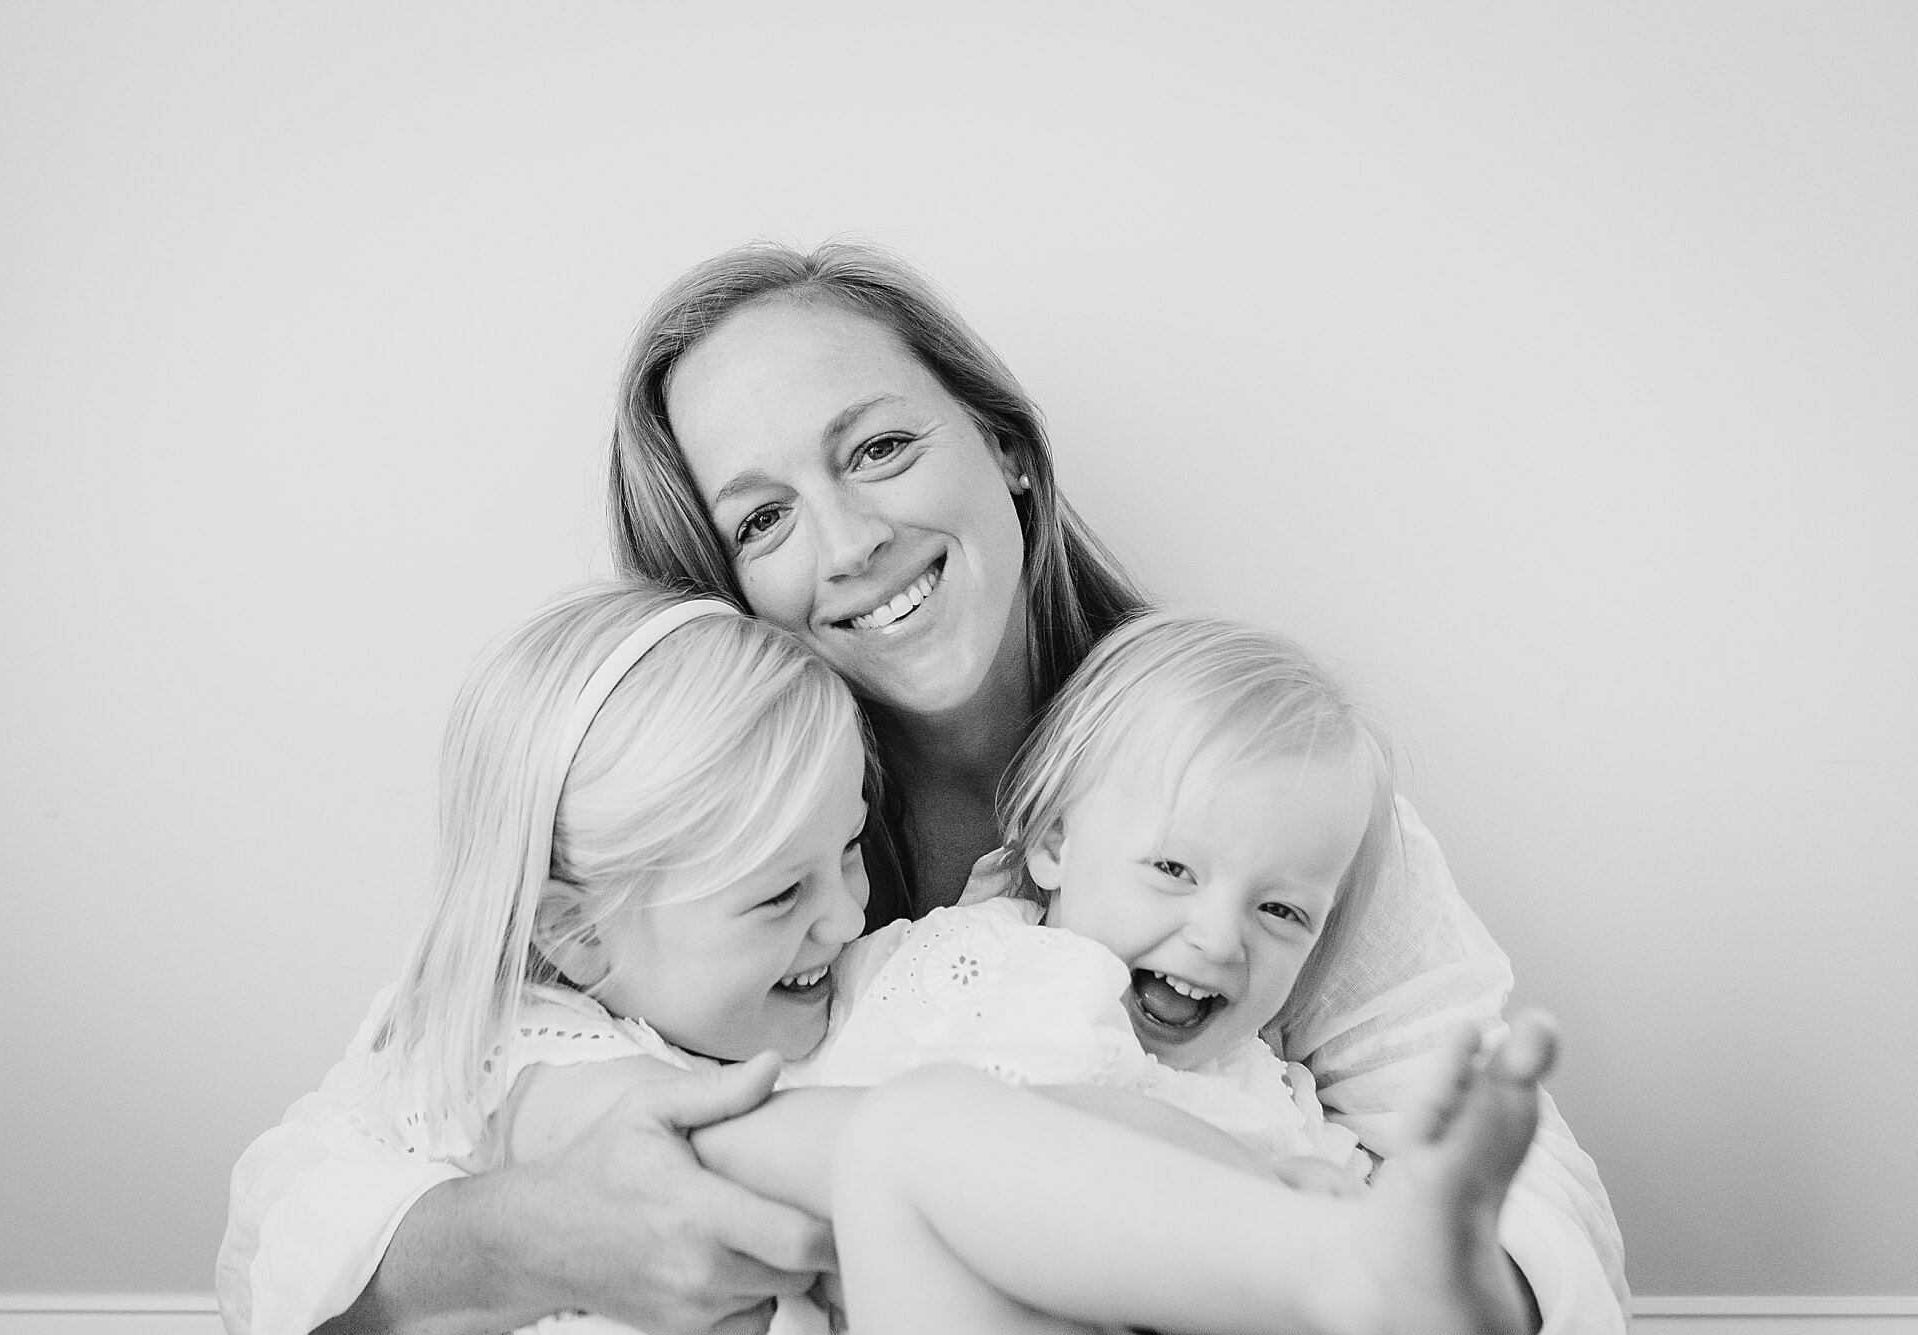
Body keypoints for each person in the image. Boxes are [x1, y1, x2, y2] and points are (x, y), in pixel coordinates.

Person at [218, 240, 1627, 1334]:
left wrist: (1407, 1276)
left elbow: (1525, 1185)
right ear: (724, 585)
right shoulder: (684, 815)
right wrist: (529, 1230)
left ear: (1006, 449)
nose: (850, 542)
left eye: (877, 446)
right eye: (762, 517)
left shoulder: (1239, 779)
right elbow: (315, 1175)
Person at [258, 576, 1563, 1335]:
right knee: (912, 1136)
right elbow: (741, 1155)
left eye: (850, 856)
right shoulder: (522, 1051)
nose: (843, 917)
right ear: (577, 933)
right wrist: (1210, 1175)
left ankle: (1349, 1267)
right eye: (780, 893)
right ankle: (1339, 1267)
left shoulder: (895, 983)